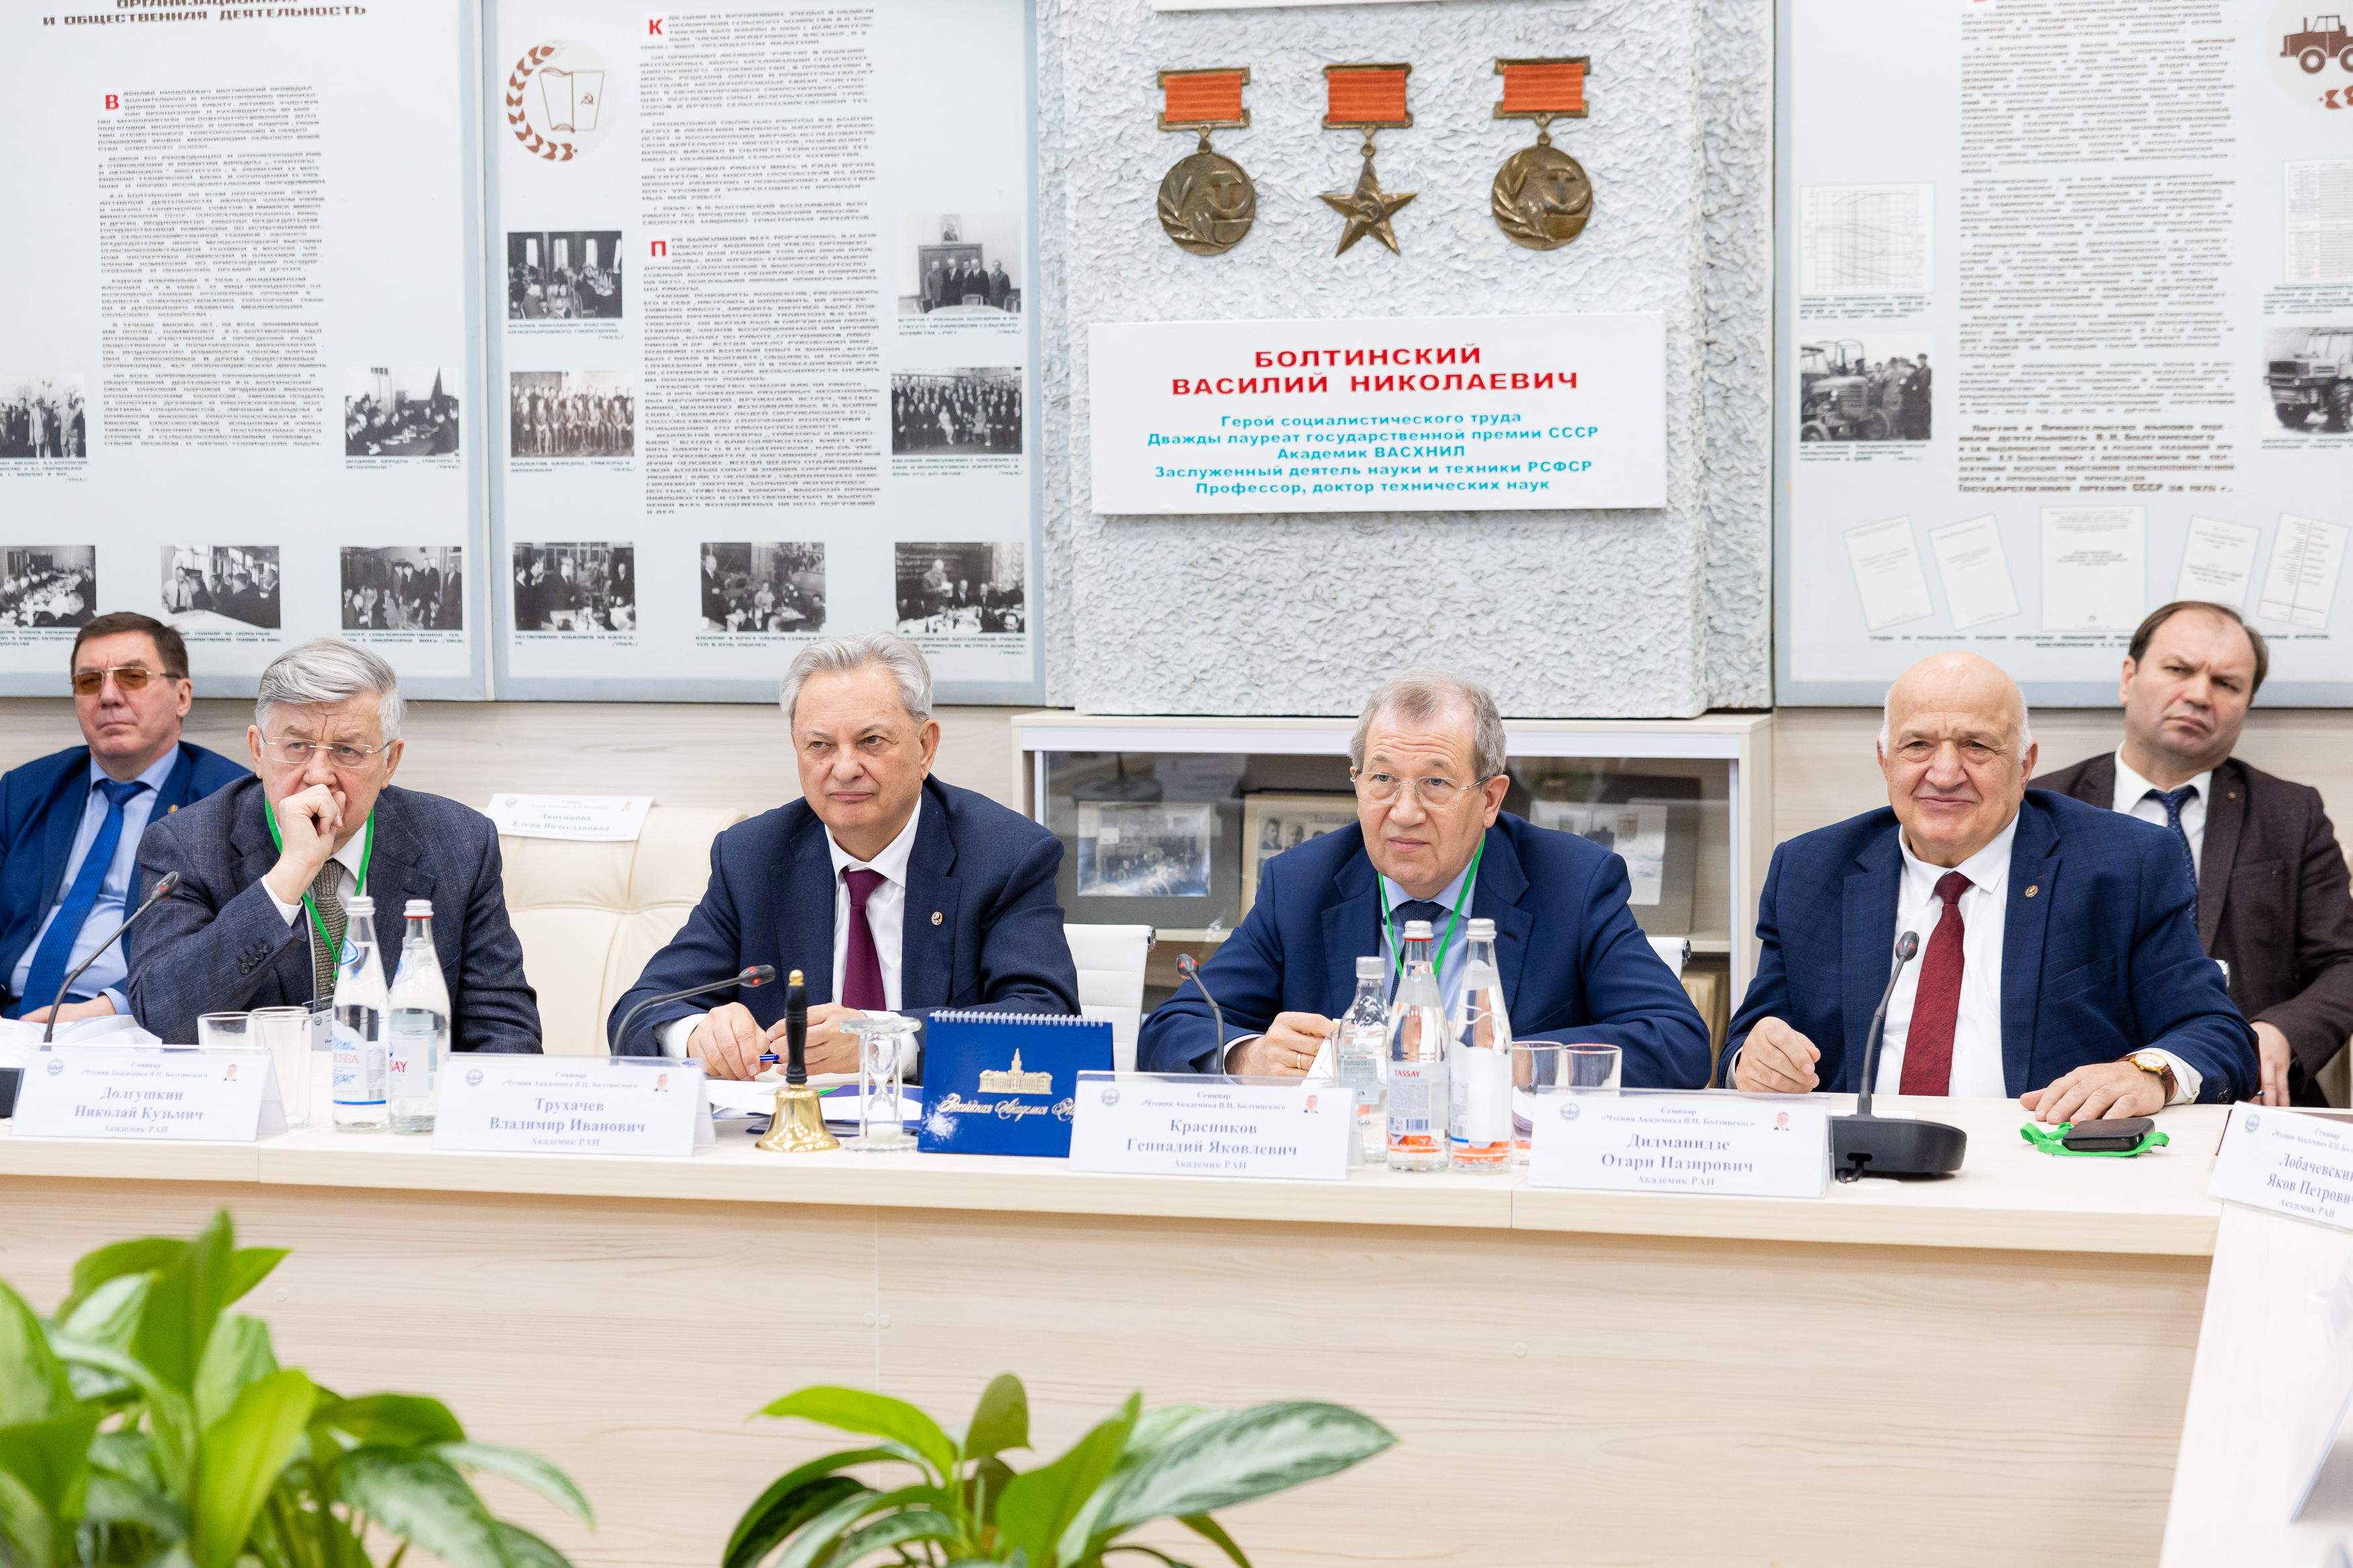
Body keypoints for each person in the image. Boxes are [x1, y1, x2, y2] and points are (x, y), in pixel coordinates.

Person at [1724, 651, 2256, 1120]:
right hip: (1857, 1167)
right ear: (1885, 761)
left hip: (2044, 1166)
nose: (1945, 773)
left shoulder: (2123, 866)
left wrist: (2145, 1074)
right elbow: (1748, 1042)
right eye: (1918, 745)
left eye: (1977, 745)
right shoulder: (1811, 871)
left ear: (2025, 765)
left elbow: (2217, 1033)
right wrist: (1754, 1060)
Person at [1135, 671, 1712, 1085]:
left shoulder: (1573, 883)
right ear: (1357, 782)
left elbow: (1677, 1043)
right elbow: (1170, 1030)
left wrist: (1511, 1062)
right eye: (1383, 779)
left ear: (1490, 799)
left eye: (1435, 783)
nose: (1405, 812)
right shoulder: (1302, 884)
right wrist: (1250, 1057)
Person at [609, 633, 1077, 1079]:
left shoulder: (1006, 855)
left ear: (925, 746)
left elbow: (1047, 1019)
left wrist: (882, 1042)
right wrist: (696, 1035)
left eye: (871, 741)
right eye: (821, 745)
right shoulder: (750, 857)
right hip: (781, 1129)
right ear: (797, 748)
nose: (845, 768)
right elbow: (640, 1009)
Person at [128, 638, 541, 1051]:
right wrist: (287, 878)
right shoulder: (187, 845)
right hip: (262, 1089)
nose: (319, 775)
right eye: (297, 747)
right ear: (258, 751)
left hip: (404, 1086)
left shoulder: (458, 843)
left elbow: (505, 1029)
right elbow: (165, 1017)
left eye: (347, 750)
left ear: (389, 763)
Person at [2033, 602, 2353, 1106]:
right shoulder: (2042, 809)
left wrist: (2283, 1031)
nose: (2199, 695)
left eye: (2226, 683)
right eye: (2178, 669)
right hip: (2077, 1097)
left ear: (2247, 703)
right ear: (2129, 678)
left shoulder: (2291, 813)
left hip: (2248, 1095)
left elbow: (2344, 961)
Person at [0, 614, 242, 1022]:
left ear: (182, 697)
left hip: (136, 1024)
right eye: (89, 681)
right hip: (10, 1019)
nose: (108, 696)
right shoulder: (23, 791)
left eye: (132, 677)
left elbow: (234, 944)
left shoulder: (228, 801)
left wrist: (116, 1005)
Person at [1901, 352, 1931, 440]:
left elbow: (1924, 385)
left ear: (1925, 360)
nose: (1921, 361)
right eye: (1920, 359)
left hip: (1922, 396)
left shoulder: (1927, 370)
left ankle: (1924, 434)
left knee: (1923, 416)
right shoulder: (1919, 370)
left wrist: (1917, 390)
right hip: (1916, 397)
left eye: (1923, 359)